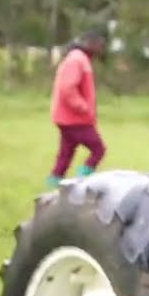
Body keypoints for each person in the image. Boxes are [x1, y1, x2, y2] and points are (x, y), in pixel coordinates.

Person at [47, 31, 106, 187]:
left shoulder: (78, 58)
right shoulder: (77, 60)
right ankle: (80, 184)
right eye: (98, 44)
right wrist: (83, 107)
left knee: (65, 156)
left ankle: (52, 187)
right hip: (75, 119)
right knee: (98, 149)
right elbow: (68, 88)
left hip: (67, 118)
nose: (101, 48)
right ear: (89, 44)